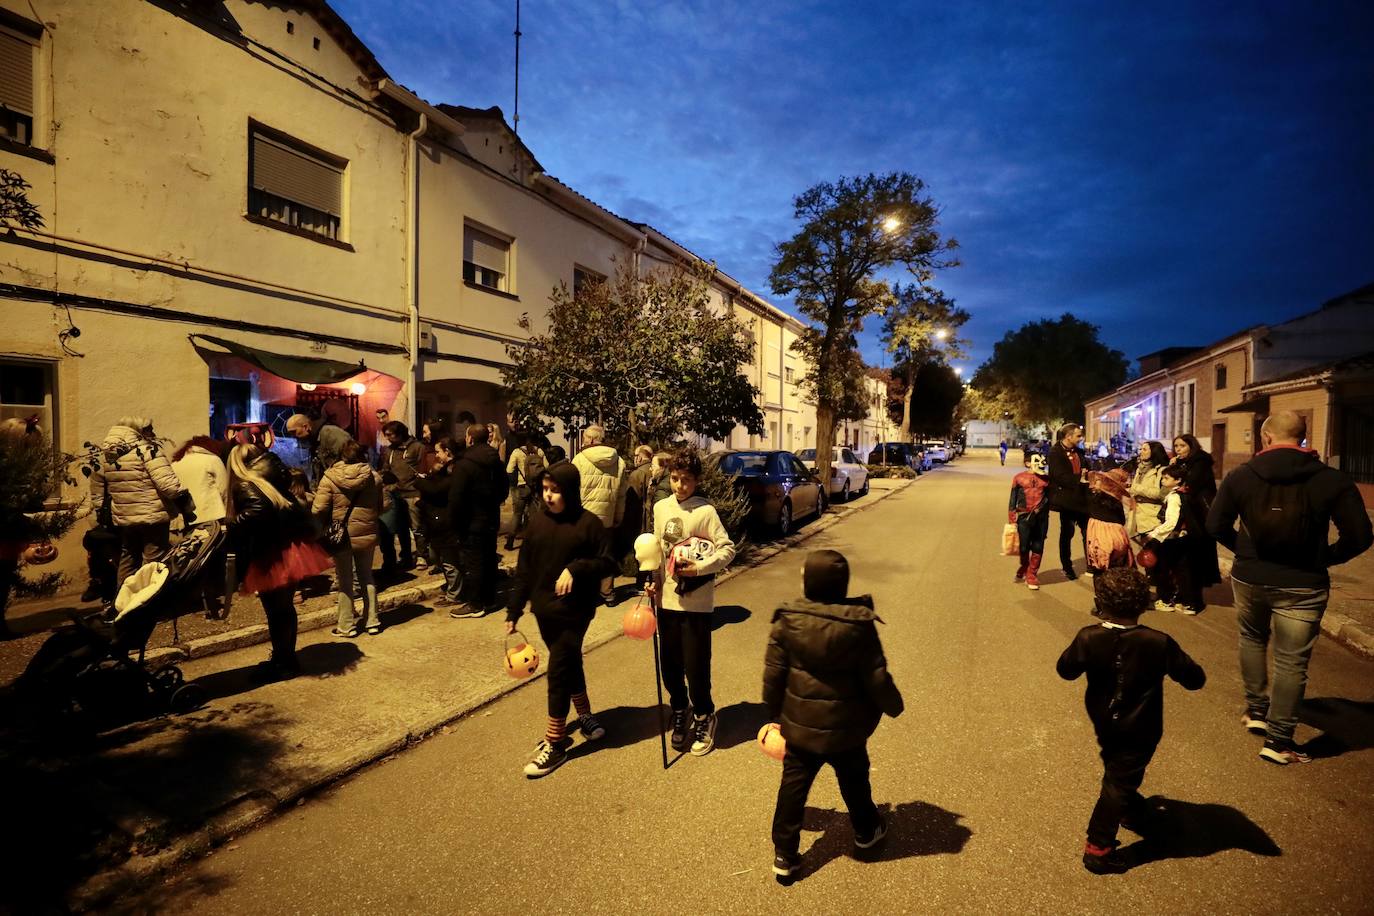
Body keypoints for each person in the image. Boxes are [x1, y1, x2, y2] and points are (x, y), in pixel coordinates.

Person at [1206, 410, 1373, 765]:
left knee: (1252, 638)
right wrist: (1324, 557)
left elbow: (1215, 524)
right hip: (1303, 581)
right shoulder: (1331, 479)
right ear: (1302, 437)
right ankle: (1279, 740)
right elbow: (1360, 535)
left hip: (1250, 577)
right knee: (1291, 661)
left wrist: (1244, 551)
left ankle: (1255, 710)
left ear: (1266, 438)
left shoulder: (1241, 476)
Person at [764, 549, 904, 881]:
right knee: (855, 780)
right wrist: (894, 705)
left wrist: (774, 714)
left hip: (800, 730)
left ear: (809, 583)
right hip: (846, 729)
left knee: (793, 789)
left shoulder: (787, 620)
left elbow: (773, 677)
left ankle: (785, 855)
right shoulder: (857, 624)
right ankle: (867, 832)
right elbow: (877, 677)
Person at [1057, 568, 1205, 874]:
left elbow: (1066, 669)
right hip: (1142, 728)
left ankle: (1131, 806)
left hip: (1104, 722)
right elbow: (1194, 679)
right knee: (1119, 781)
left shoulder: (1088, 637)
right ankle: (1098, 848)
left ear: (1100, 602)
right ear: (1144, 604)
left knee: (1119, 771)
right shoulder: (1158, 642)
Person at [504, 461, 618, 778]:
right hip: (544, 612)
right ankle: (585, 715)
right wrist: (513, 610)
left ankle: (555, 743)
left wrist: (576, 568)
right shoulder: (538, 524)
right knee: (569, 663)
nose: (549, 496)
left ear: (569, 490)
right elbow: (524, 571)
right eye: (545, 489)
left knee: (558, 669)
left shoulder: (588, 524)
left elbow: (610, 562)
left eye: (555, 490)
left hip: (575, 611)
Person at [647, 448, 736, 756]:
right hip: (665, 601)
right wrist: (651, 579)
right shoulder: (660, 508)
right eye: (674, 479)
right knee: (669, 667)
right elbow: (656, 550)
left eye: (686, 480)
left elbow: (727, 550)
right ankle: (680, 709)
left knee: (696, 667)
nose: (679, 486)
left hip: (696, 603)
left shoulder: (705, 512)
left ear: (697, 480)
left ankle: (704, 714)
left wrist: (698, 568)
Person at [227, 442, 332, 680]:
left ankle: (284, 663)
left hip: (273, 556)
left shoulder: (247, 484)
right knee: (283, 610)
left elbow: (258, 511)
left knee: (277, 611)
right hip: (290, 550)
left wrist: (230, 524)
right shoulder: (273, 482)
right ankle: (285, 658)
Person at [89, 416, 195, 590]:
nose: (153, 434)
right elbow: (167, 484)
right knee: (153, 560)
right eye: (150, 430)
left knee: (128, 557)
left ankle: (122, 598)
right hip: (153, 515)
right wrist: (185, 503)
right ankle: (149, 600)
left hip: (125, 518)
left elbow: (98, 492)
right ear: (141, 431)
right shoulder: (147, 450)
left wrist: (102, 512)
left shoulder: (104, 456)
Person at [312, 438, 383, 637]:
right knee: (366, 576)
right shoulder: (374, 477)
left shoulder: (330, 478)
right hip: (367, 533)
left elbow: (318, 508)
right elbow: (384, 505)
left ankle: (347, 625)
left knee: (345, 580)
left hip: (341, 535)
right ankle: (372, 621)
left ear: (342, 455)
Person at [447, 423, 508, 617]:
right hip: (490, 518)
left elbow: (456, 497)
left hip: (471, 521)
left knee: (474, 563)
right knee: (489, 560)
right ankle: (489, 599)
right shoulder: (495, 461)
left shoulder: (465, 464)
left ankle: (475, 603)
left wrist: (454, 521)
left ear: (470, 439)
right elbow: (503, 489)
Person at [171, 436, 231, 618]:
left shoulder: (176, 464)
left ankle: (199, 598)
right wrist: (228, 516)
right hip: (212, 517)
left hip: (187, 519)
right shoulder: (212, 460)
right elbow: (224, 490)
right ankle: (212, 600)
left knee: (193, 560)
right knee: (213, 562)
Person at [572, 425, 627, 605]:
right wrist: (618, 516)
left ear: (593, 439)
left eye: (586, 437)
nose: (583, 441)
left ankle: (584, 594)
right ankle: (608, 593)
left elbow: (573, 490)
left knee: (583, 556)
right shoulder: (619, 461)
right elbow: (621, 494)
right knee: (606, 556)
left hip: (584, 517)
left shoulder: (579, 459)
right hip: (607, 518)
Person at [1140, 465, 1202, 614]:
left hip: (1171, 539)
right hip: (1184, 538)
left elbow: (1171, 522)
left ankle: (1165, 601)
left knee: (1162, 570)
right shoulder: (1187, 493)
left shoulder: (1174, 497)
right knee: (1182, 571)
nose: (1162, 480)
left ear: (1178, 480)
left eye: (1166, 478)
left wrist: (1154, 534)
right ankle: (1188, 602)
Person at [1169, 433, 1222, 592]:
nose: (1179, 449)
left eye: (1182, 446)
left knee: (1199, 546)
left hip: (1199, 510)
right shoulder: (1182, 461)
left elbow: (1191, 483)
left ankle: (1197, 584)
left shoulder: (1200, 461)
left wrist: (1178, 468)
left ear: (1191, 446)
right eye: (1176, 446)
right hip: (1187, 509)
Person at [416, 436, 462, 607]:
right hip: (436, 520)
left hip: (446, 521)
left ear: (447, 452)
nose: (436, 455)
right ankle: (454, 588)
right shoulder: (444, 469)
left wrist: (421, 482)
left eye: (438, 452)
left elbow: (439, 490)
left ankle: (455, 594)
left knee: (449, 560)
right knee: (438, 557)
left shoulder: (455, 470)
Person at [377, 420, 425, 573]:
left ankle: (422, 555)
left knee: (416, 527)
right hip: (395, 494)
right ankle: (406, 556)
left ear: (400, 433)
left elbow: (423, 470)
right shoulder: (389, 450)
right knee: (401, 528)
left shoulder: (417, 447)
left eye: (390, 435)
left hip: (413, 493)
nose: (388, 438)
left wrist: (420, 490)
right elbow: (385, 469)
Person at [1048, 423, 1090, 581]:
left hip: (1082, 499)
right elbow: (1059, 476)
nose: (1081, 438)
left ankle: (1092, 563)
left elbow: (1085, 467)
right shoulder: (1055, 452)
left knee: (1088, 532)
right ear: (1068, 436)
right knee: (1067, 533)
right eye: (1078, 435)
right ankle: (1067, 566)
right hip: (1066, 500)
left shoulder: (1079, 451)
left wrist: (1087, 473)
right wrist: (1080, 478)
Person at [1009, 451, 1051, 590]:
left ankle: (1032, 574)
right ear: (1027, 463)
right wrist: (1012, 517)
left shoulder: (1046, 479)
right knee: (1024, 546)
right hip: (1024, 517)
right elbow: (1013, 499)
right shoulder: (1018, 478)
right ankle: (1024, 566)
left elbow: (1050, 498)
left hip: (1041, 518)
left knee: (1038, 546)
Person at [1086, 468, 1134, 576]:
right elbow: (1122, 520)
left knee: (1099, 563)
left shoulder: (1095, 498)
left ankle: (1100, 589)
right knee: (1116, 563)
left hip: (1097, 533)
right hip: (1117, 534)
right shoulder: (1117, 502)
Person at [505, 433, 547, 552]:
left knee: (517, 514)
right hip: (536, 487)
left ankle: (510, 542)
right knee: (534, 515)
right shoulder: (539, 451)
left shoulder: (517, 452)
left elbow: (509, 469)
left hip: (522, 487)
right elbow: (547, 467)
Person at [285, 412, 350, 485]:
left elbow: (353, 460)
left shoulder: (331, 433)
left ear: (305, 427)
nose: (293, 436)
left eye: (294, 432)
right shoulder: (314, 441)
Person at [1126, 441, 1169, 538]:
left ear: (1154, 452)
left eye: (1144, 449)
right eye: (1141, 449)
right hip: (1138, 515)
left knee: (1154, 549)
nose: (1141, 452)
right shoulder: (1140, 469)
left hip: (1153, 516)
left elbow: (1160, 494)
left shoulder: (1161, 470)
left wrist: (1136, 488)